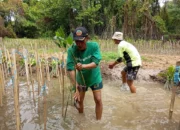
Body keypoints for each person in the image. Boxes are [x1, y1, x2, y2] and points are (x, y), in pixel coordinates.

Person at [66, 27, 103, 120]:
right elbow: (70, 69)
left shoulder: (94, 46)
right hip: (81, 79)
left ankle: (98, 122)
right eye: (76, 41)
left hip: (94, 77)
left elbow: (95, 63)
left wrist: (82, 66)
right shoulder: (71, 50)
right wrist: (76, 87)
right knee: (79, 100)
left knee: (98, 99)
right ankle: (81, 120)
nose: (79, 44)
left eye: (81, 41)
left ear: (87, 38)